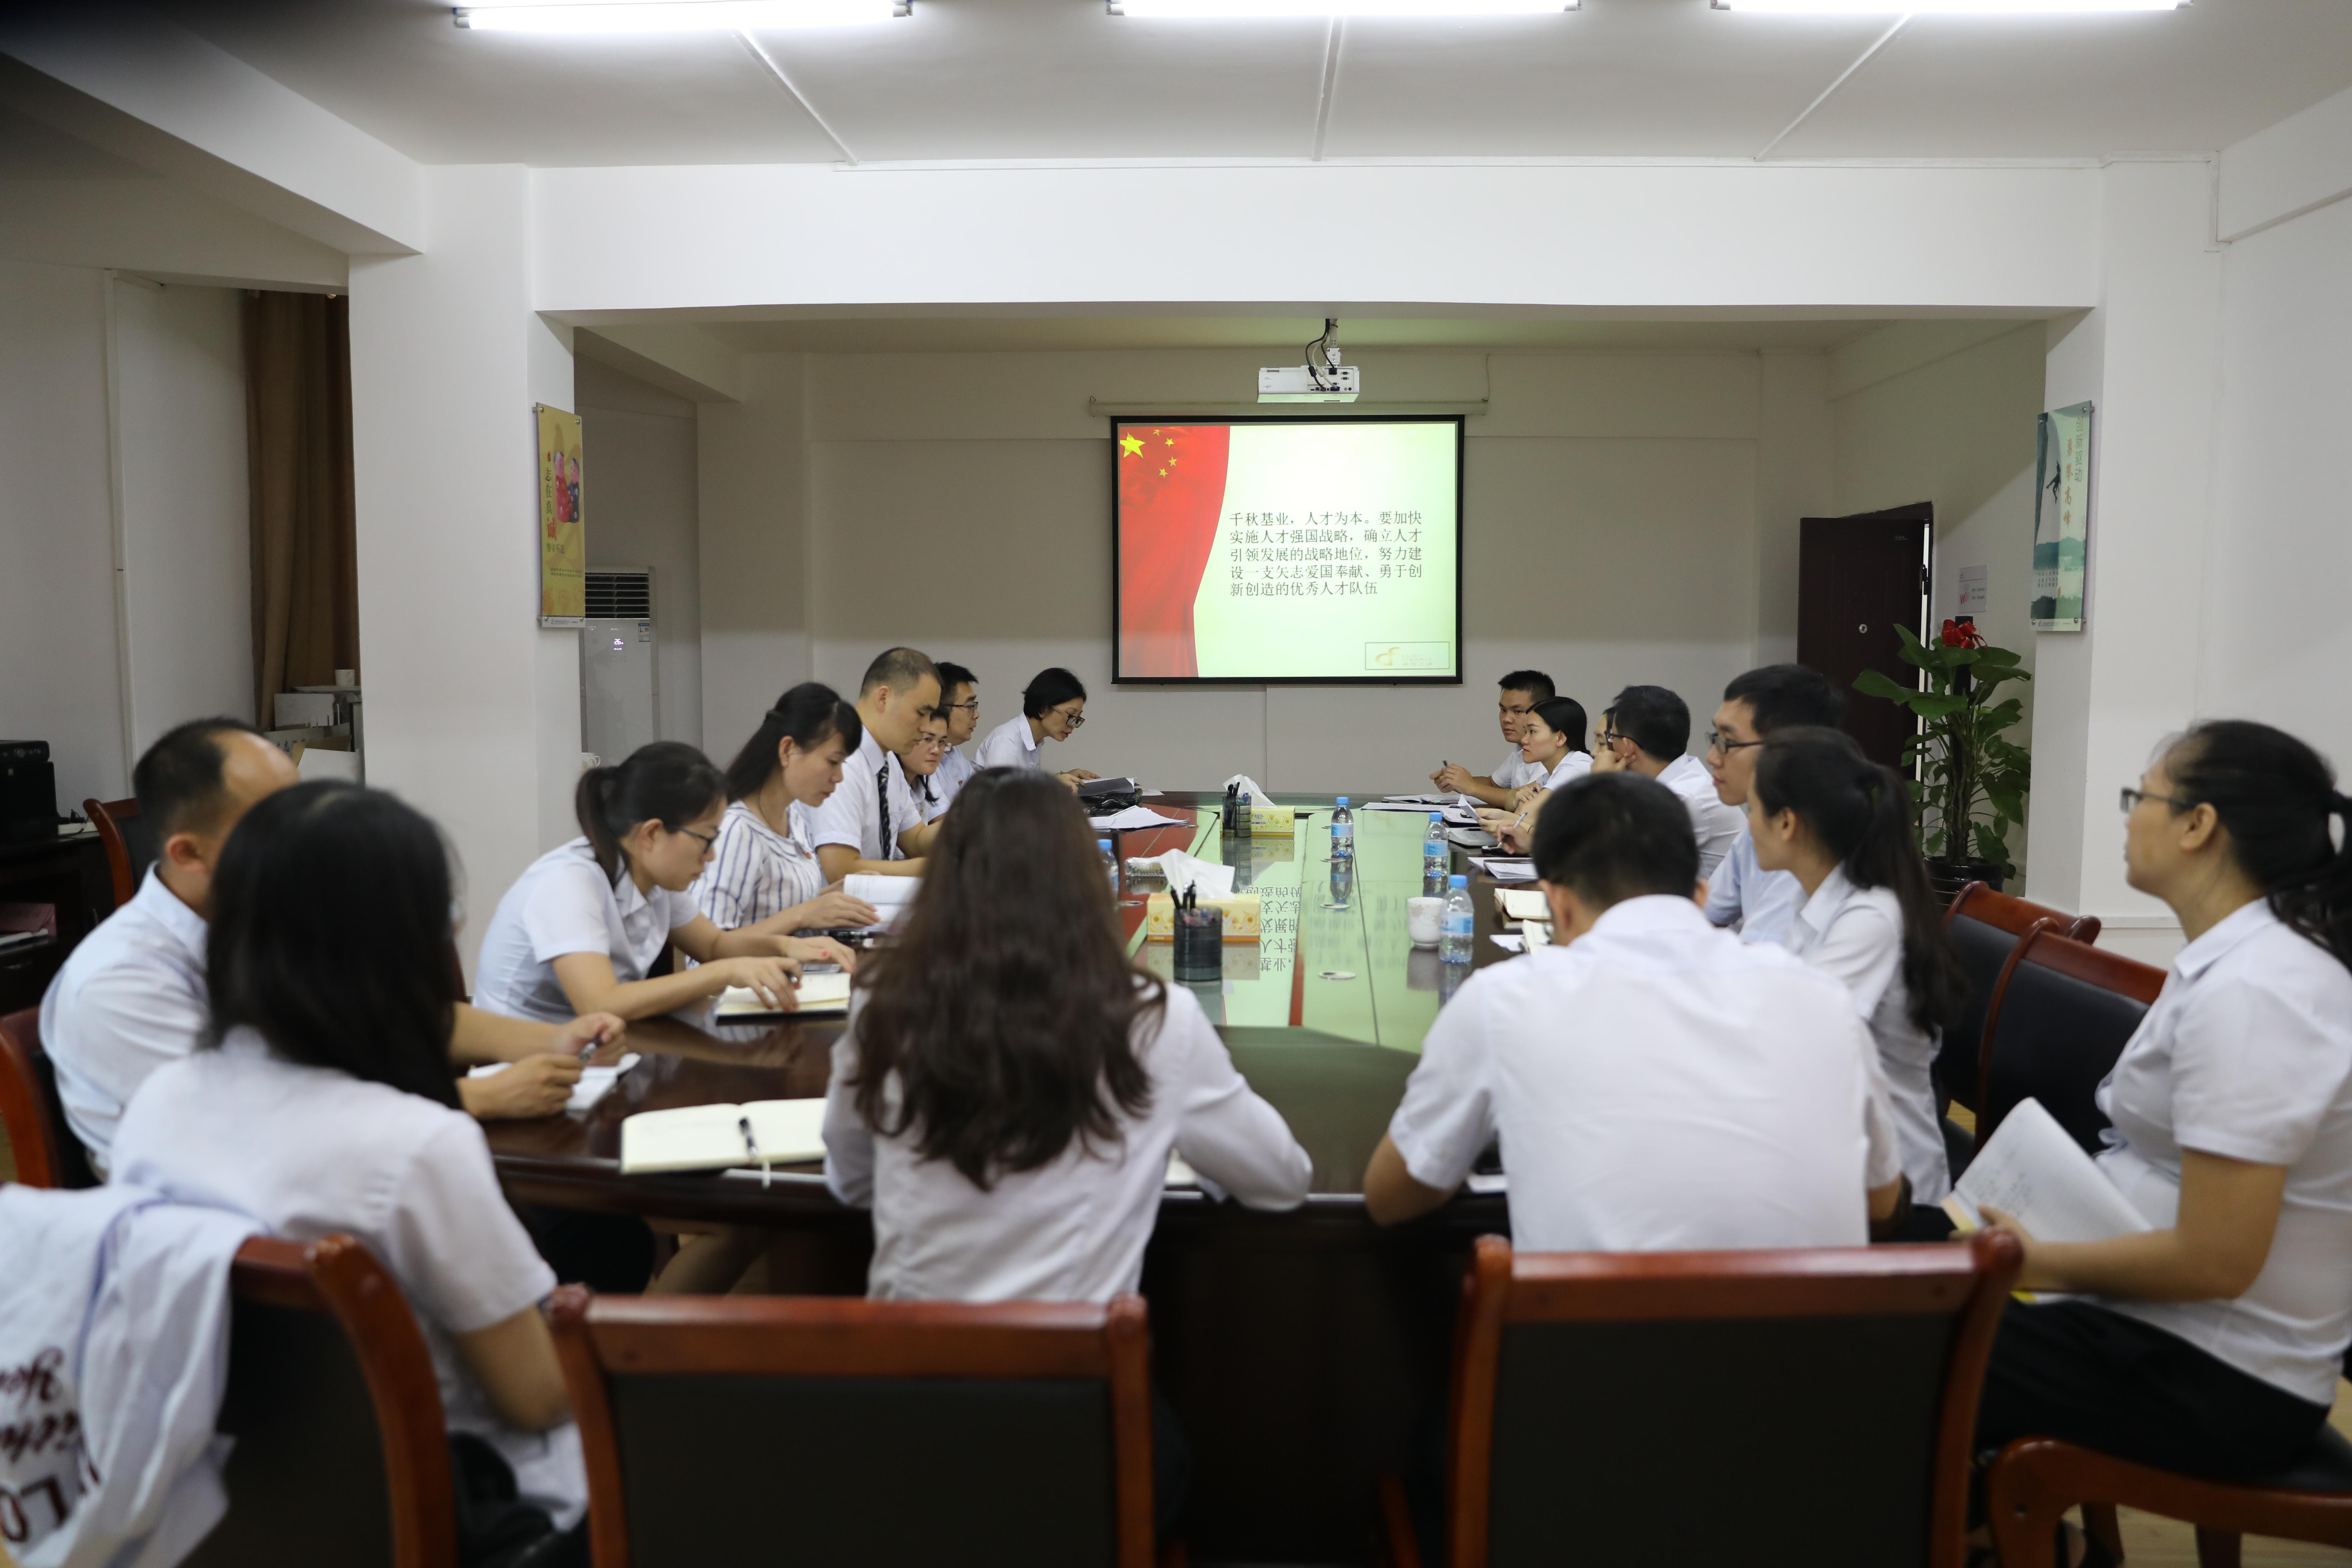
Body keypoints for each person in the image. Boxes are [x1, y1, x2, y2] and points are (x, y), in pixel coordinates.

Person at [110, 783, 590, 1539]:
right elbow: (537, 1397)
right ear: (403, 940)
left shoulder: (160, 1102)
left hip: (234, 1506)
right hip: (456, 1511)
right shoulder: (413, 1143)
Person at [1973, 720, 2352, 1486]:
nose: (2128, 817)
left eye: (2138, 796)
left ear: (2197, 824)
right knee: (1888, 1322)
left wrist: (2028, 1259)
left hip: (2213, 1372)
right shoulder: (2238, 960)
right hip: (2159, 1332)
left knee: (1890, 1349)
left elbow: (2216, 1258)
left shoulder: (2259, 992)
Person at [42, 718, 621, 1175]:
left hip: (329, 1167)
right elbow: (237, 1131)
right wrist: (474, 1097)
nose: (308, 834)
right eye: (273, 824)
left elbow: (393, 1019)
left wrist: (557, 1039)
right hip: (223, 1229)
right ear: (188, 854)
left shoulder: (272, 916)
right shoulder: (122, 979)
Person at [822, 766, 1312, 1302]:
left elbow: (852, 1181)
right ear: (1085, 879)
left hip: (909, 1371)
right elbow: (1280, 1181)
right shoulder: (1156, 1020)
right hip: (1077, 1375)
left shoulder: (885, 1005)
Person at [1364, 772, 1906, 1246]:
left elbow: (1391, 1199)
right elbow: (1881, 1202)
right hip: (1817, 1355)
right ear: (1699, 895)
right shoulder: (1820, 999)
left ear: (1559, 904)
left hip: (1594, 1352)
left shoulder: (1504, 1000)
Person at [1745, 726, 1966, 1209]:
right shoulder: (1818, 896)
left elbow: (1805, 1039)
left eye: (1752, 809)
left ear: (1787, 823)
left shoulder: (1870, 918)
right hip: (1827, 1149)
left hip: (1892, 1194)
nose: (1748, 824)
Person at [473, 741, 848, 1024]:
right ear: (652, 834)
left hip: (599, 1051)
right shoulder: (569, 883)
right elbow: (600, 1002)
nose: (712, 856)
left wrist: (786, 947)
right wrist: (723, 973)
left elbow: (715, 944)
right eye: (706, 839)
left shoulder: (655, 878)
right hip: (525, 1061)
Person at [698, 682, 881, 944]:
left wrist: (829, 898)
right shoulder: (736, 830)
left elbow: (775, 907)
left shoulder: (793, 817)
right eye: (833, 762)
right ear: (787, 750)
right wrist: (804, 915)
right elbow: (709, 949)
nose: (839, 777)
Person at [1703, 664, 1847, 947]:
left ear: (1786, 749)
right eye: (1715, 738)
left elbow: (1754, 971)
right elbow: (1705, 915)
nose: (1712, 757)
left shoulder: (1807, 843)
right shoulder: (1765, 824)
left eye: (1728, 742)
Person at [810, 645, 941, 882]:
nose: (926, 727)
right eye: (922, 713)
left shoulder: (888, 760)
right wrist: (931, 869)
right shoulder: (843, 760)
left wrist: (970, 818)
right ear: (884, 698)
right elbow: (840, 868)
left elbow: (917, 842)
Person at [1591, 684, 1744, 881]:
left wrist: (1601, 786)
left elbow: (1607, 867)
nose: (1597, 752)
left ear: (1629, 747)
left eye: (1610, 737)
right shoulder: (1675, 781)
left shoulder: (1683, 799)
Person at [1431, 670, 1554, 808]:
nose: (1506, 719)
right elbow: (1493, 784)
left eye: (1518, 711)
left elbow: (1524, 800)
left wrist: (1470, 787)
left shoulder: (1552, 755)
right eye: (1503, 710)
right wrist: (1456, 781)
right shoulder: (1522, 747)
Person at [973, 666, 1099, 789]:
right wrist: (1052, 783)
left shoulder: (1034, 740)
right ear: (1043, 709)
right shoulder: (1006, 741)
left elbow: (1022, 786)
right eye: (1071, 716)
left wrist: (1064, 777)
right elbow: (1001, 799)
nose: (1074, 725)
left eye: (1077, 718)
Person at [888, 710, 954, 859]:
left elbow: (918, 844)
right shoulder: (889, 776)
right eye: (928, 740)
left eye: (942, 742)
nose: (936, 750)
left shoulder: (925, 780)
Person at [927, 660, 980, 818]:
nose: (976, 714)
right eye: (970, 706)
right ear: (941, 707)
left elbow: (983, 800)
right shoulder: (923, 758)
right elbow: (942, 823)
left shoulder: (953, 750)